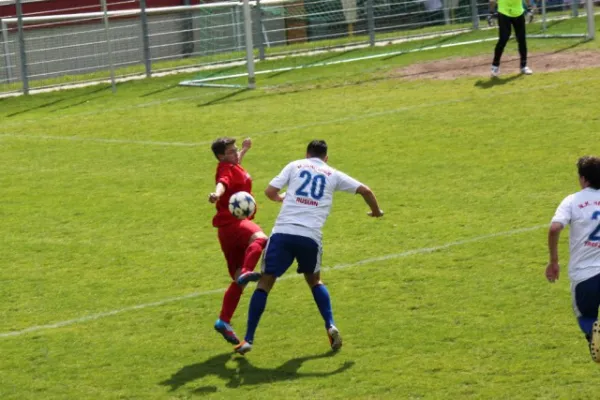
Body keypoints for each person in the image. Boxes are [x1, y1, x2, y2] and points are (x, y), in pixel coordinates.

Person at [233, 139, 384, 355]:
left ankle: (248, 339)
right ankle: (330, 325)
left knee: (265, 283)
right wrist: (376, 212)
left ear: (307, 154)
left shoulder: (295, 165)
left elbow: (269, 191)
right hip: (310, 236)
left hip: (283, 233)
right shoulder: (332, 173)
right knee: (314, 281)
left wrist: (280, 198)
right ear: (326, 158)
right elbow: (366, 191)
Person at [209, 137, 268, 345]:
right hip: (235, 224)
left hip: (225, 231)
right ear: (221, 156)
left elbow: (234, 166)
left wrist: (244, 150)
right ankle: (246, 272)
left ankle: (223, 321)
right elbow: (222, 183)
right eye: (231, 151)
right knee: (260, 239)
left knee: (236, 280)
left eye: (235, 151)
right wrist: (216, 195)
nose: (235, 154)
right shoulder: (225, 169)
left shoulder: (232, 165)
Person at [546, 156, 600, 362]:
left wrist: (553, 261)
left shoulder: (572, 201)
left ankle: (592, 337)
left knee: (586, 317)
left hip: (584, 275)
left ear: (583, 179)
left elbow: (554, 228)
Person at [489, 0, 535, 77]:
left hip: (518, 12)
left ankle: (524, 66)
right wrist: (491, 13)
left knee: (522, 39)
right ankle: (495, 66)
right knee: (503, 39)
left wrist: (529, 9)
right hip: (504, 12)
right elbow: (492, 0)